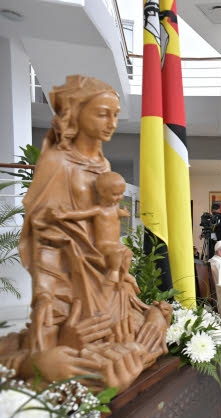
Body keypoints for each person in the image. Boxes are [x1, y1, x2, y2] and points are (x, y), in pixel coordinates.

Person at [1, 76, 170, 393]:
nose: (112, 123)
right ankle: (64, 361)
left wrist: (113, 252)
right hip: (68, 279)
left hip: (104, 269)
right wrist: (46, 296)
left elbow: (104, 227)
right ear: (77, 114)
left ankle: (117, 349)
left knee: (146, 325)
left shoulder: (103, 165)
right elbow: (44, 233)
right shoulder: (57, 162)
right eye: (103, 113)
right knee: (76, 351)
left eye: (116, 115)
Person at [51, 171, 134, 286]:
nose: (120, 197)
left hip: (115, 244)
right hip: (103, 246)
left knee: (128, 253)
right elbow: (82, 213)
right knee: (118, 252)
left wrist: (123, 213)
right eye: (115, 194)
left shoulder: (114, 209)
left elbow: (117, 213)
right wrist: (65, 215)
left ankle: (124, 274)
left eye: (121, 194)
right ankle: (114, 272)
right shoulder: (99, 210)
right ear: (102, 193)